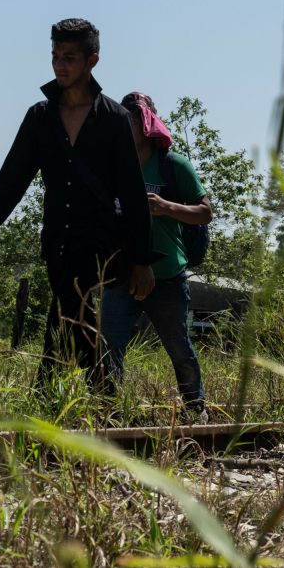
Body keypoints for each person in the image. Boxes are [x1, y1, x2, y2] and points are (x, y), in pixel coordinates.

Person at [0, 19, 155, 392]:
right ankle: (99, 402)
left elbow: (133, 195)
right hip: (56, 239)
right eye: (55, 56)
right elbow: (13, 176)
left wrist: (142, 260)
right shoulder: (40, 117)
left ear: (92, 61)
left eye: (69, 57)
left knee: (72, 308)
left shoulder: (114, 119)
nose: (60, 65)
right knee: (70, 315)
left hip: (100, 240)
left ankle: (51, 395)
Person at [100, 92, 213, 421]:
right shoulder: (112, 166)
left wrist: (166, 208)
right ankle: (109, 412)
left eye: (132, 120)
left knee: (179, 348)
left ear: (147, 123)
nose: (126, 126)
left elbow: (205, 212)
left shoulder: (173, 165)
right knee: (108, 347)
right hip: (121, 274)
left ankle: (195, 409)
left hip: (167, 276)